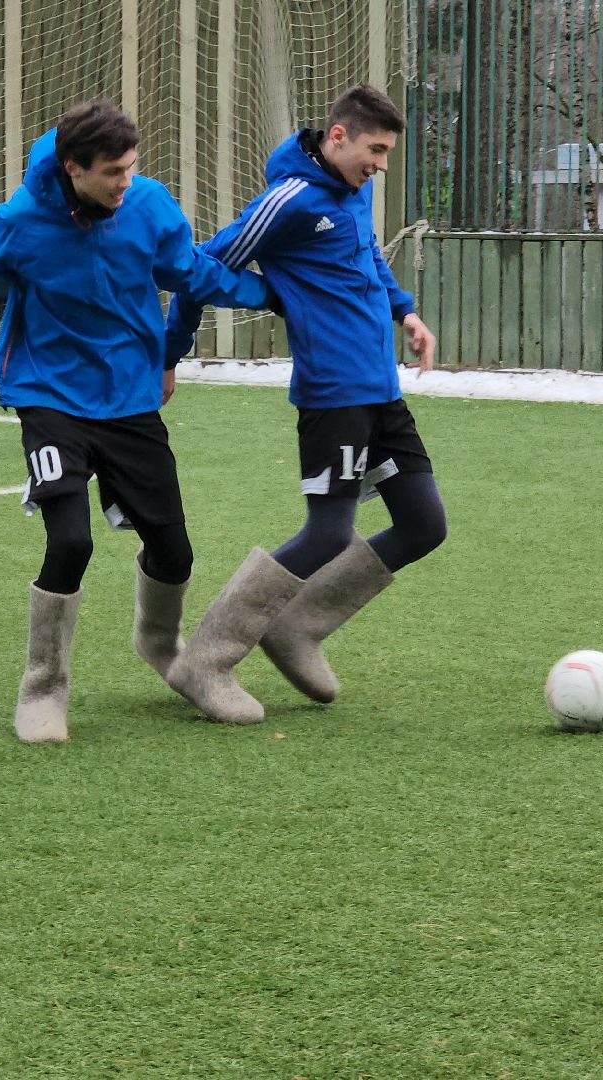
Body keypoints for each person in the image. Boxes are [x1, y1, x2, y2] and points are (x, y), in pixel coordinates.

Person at [0, 98, 278, 744]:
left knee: (174, 549)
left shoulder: (148, 206)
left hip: (129, 399)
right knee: (72, 541)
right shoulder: (16, 224)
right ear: (73, 169)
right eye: (113, 172)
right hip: (49, 394)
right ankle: (43, 688)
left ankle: (168, 651)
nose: (127, 182)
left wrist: (270, 294)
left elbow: (193, 272)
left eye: (132, 167)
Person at [162, 84, 445, 725]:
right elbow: (200, 269)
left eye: (387, 154)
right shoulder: (287, 201)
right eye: (374, 150)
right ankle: (204, 660)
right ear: (338, 136)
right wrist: (169, 354)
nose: (380, 165)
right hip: (333, 395)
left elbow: (367, 255)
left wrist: (406, 311)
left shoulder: (354, 188)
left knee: (425, 525)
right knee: (328, 532)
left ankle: (296, 629)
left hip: (381, 391)